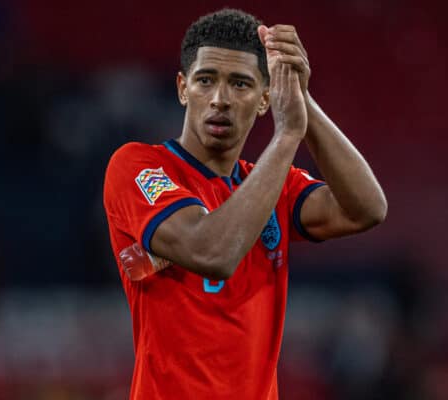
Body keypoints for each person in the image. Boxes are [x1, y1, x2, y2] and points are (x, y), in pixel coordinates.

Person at [103, 8, 387, 400]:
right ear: (183, 88)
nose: (220, 99)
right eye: (206, 80)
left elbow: (367, 209)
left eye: (240, 84)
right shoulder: (138, 167)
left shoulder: (273, 185)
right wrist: (288, 135)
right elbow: (211, 251)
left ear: (265, 99)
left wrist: (302, 98)